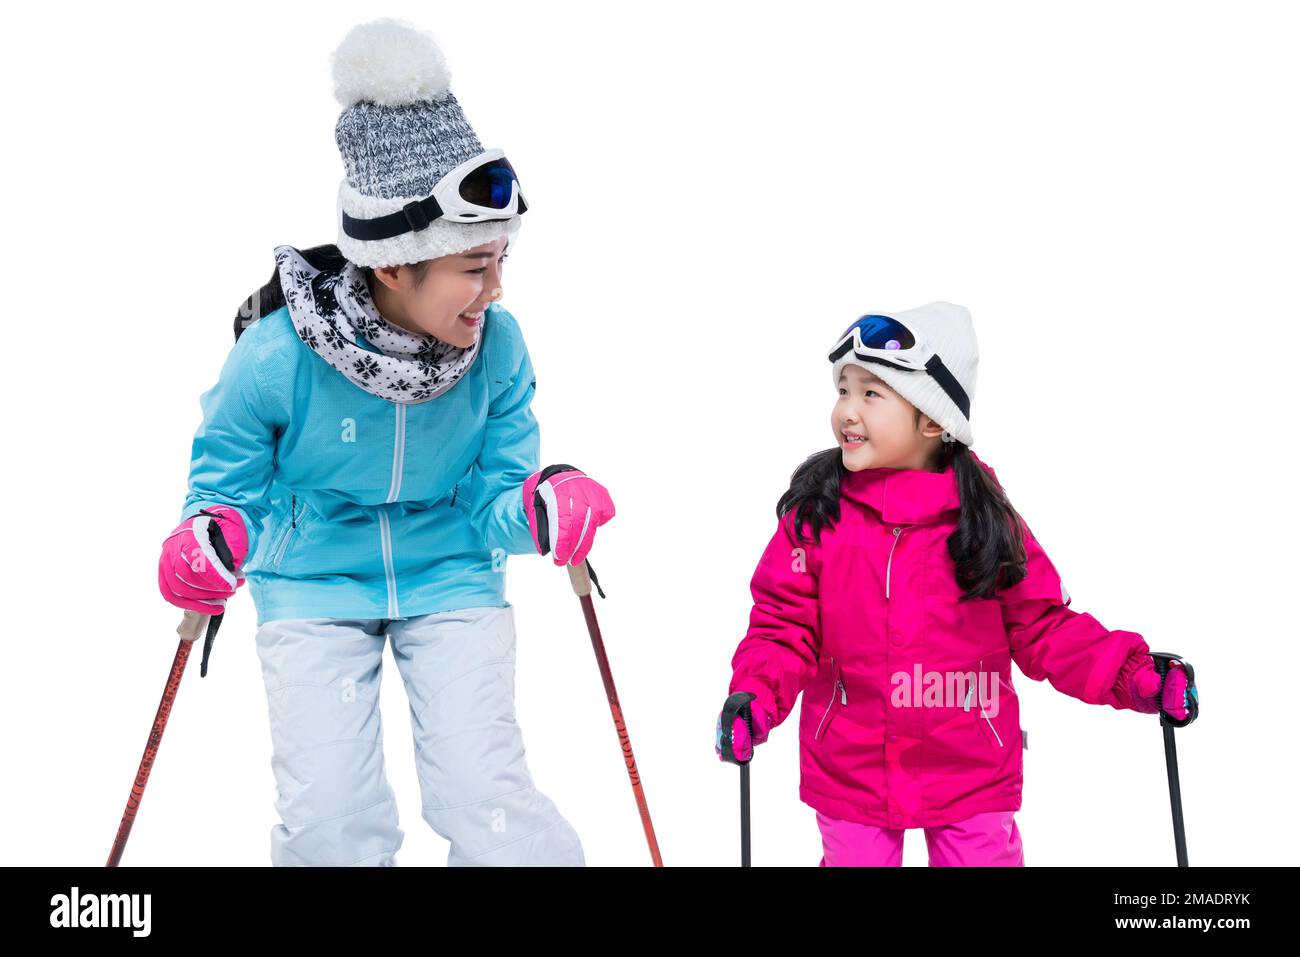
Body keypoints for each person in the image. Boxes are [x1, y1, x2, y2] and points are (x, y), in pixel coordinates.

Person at [157, 18, 613, 866]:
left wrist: (540, 508)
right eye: (473, 267)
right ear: (396, 263)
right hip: (312, 580)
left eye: (501, 260)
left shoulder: (497, 350)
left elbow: (494, 497)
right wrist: (207, 538)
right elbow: (225, 488)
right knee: (330, 817)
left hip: (449, 572)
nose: (496, 289)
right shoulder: (277, 356)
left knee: (483, 795)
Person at [714, 302, 1195, 866]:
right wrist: (757, 695)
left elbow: (1042, 625)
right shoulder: (817, 517)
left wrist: (1132, 675)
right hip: (852, 764)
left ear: (932, 419)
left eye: (872, 394)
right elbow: (783, 627)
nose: (846, 410)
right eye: (843, 390)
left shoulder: (982, 518)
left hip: (970, 764)